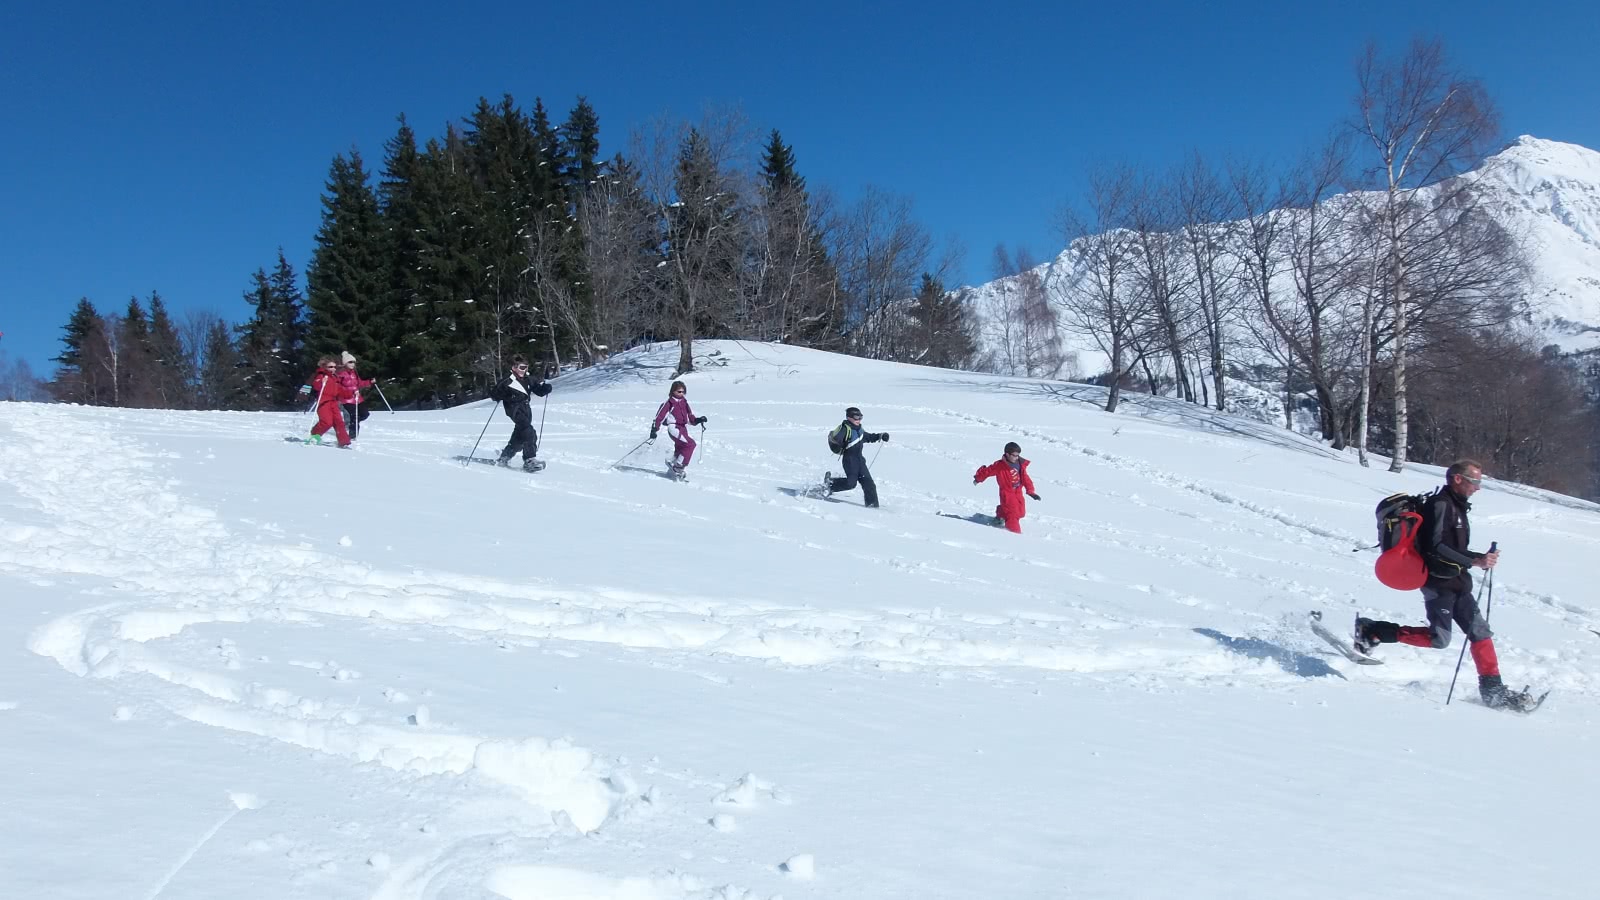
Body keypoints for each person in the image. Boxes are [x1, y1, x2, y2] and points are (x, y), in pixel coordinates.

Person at [1353, 460, 1535, 710]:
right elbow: (1435, 546)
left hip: (1459, 582)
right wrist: (1475, 560)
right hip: (1438, 583)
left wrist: (1479, 558)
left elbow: (1453, 548)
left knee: (1480, 632)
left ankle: (1493, 691)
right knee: (1440, 640)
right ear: (1458, 479)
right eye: (1475, 481)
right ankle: (1372, 631)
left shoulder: (1458, 507)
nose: (1478, 488)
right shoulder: (1440, 505)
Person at [488, 355, 552, 471]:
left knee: (519, 435)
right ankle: (529, 460)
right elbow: (494, 394)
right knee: (528, 431)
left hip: (526, 408)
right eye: (522, 367)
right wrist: (503, 395)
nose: (525, 370)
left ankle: (505, 457)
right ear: (514, 367)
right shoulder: (507, 381)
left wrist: (546, 389)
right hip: (513, 408)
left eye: (526, 367)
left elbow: (538, 391)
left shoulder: (528, 379)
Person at [823, 407, 888, 508]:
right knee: (851, 484)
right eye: (856, 417)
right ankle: (829, 484)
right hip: (849, 460)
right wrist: (838, 442)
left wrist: (880, 436)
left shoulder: (859, 430)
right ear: (849, 417)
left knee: (869, 484)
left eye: (860, 417)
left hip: (860, 461)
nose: (859, 420)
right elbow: (836, 439)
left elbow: (868, 437)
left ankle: (872, 507)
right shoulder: (845, 429)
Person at [974, 442, 1041, 533]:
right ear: (1007, 454)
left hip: (1018, 492)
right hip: (1007, 493)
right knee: (1013, 514)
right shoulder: (1000, 465)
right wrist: (978, 478)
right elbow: (988, 471)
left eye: (1018, 455)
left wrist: (1030, 491)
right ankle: (1013, 534)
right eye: (1014, 455)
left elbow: (1025, 478)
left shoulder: (1020, 464)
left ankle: (1001, 515)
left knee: (1021, 512)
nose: (1017, 457)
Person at [650, 380, 707, 481]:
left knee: (681, 449)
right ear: (673, 391)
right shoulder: (668, 403)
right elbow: (659, 417)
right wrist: (654, 430)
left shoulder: (684, 402)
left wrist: (698, 420)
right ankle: (678, 466)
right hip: (674, 427)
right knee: (690, 444)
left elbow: (689, 417)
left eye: (683, 392)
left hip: (683, 428)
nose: (681, 394)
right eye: (679, 392)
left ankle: (673, 471)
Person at [306, 358, 353, 448]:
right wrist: (321, 382)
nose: (333, 369)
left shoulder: (335, 377)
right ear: (325, 367)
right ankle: (315, 434)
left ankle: (344, 441)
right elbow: (316, 385)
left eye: (334, 367)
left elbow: (340, 390)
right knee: (327, 422)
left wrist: (351, 393)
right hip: (323, 402)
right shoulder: (321, 375)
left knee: (339, 422)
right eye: (330, 367)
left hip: (333, 402)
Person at [336, 351, 375, 440]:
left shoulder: (354, 373)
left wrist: (369, 382)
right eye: (350, 362)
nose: (353, 364)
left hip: (358, 399)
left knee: (365, 414)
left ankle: (353, 423)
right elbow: (337, 388)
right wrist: (349, 393)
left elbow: (359, 383)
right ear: (345, 363)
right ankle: (352, 437)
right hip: (347, 400)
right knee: (355, 416)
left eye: (354, 362)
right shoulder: (341, 374)